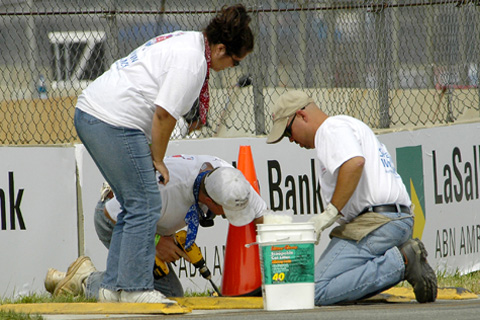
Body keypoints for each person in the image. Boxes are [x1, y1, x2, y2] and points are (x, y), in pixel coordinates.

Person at [73, 4, 254, 303]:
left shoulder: (191, 43)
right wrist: (157, 159)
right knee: (145, 201)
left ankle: (113, 288)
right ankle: (133, 289)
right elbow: (164, 115)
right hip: (110, 119)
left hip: (101, 115)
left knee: (136, 202)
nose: (233, 69)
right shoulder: (193, 62)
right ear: (221, 49)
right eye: (235, 62)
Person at [266, 90, 437, 305]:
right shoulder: (346, 126)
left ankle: (403, 261)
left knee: (314, 291)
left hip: (377, 224)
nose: (290, 140)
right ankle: (402, 259)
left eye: (288, 132)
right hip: (393, 220)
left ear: (301, 115)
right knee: (334, 284)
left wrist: (330, 213)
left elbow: (354, 163)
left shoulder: (330, 129)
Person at [45, 155, 267, 301]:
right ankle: (86, 278)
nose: (231, 218)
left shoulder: (231, 180)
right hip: (118, 219)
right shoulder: (165, 186)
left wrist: (267, 278)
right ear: (210, 201)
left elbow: (260, 217)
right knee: (130, 292)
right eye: (228, 212)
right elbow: (111, 214)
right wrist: (157, 243)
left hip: (150, 224)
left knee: (171, 294)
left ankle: (73, 278)